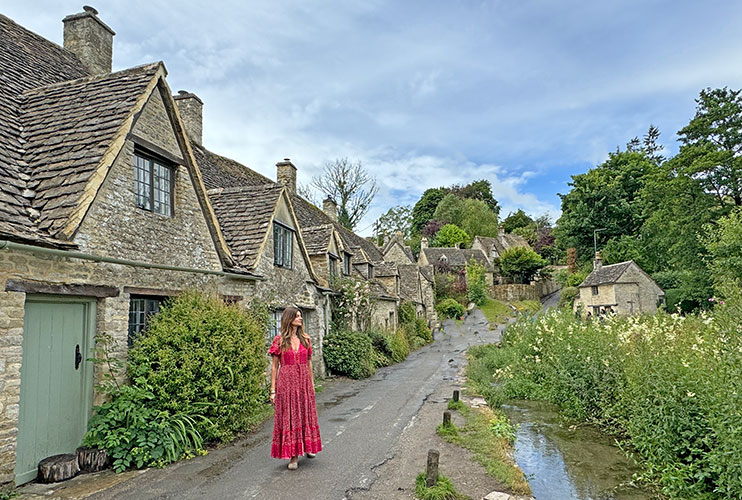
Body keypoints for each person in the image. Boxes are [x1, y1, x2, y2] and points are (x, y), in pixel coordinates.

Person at [269, 307, 322, 469]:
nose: (300, 318)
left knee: (305, 414)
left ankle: (309, 447)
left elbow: (309, 362)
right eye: (297, 316)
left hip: (303, 381)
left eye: (301, 316)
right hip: (286, 383)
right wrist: (273, 390)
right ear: (289, 319)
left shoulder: (306, 338)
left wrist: (312, 384)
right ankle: (293, 456)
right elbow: (274, 367)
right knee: (291, 417)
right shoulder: (279, 340)